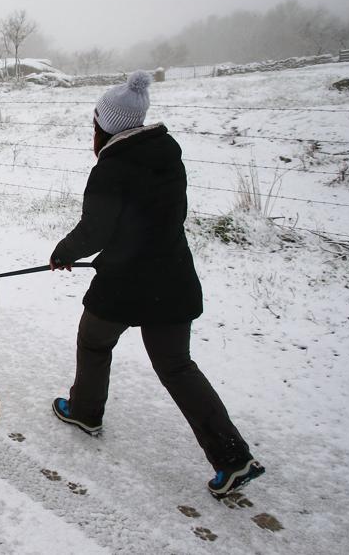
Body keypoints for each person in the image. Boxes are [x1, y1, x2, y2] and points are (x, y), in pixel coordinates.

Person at [47, 70, 264, 499]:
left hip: (125, 282)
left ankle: (87, 412)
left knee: (93, 340)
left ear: (105, 124)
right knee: (177, 366)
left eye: (96, 118)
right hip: (172, 276)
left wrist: (62, 254)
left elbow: (95, 231)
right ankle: (233, 457)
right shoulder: (167, 152)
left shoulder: (112, 168)